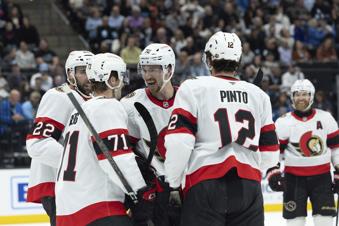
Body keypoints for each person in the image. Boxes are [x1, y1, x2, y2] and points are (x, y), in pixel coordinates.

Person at [164, 31, 280, 226]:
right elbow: (270, 153)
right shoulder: (258, 95)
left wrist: (173, 184)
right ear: (238, 60)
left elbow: (179, 142)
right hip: (249, 188)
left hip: (205, 184)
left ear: (209, 59)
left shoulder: (193, 87)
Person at [56, 53, 154, 226]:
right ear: (112, 79)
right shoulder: (108, 106)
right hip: (97, 208)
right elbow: (117, 158)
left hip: (67, 211)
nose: (124, 83)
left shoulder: (78, 111)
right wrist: (141, 191)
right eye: (121, 77)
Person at [26, 50, 94, 226]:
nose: (89, 76)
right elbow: (38, 143)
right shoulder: (58, 96)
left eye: (92, 70)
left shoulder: (91, 99)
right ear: (70, 73)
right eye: (82, 71)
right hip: (59, 185)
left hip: (80, 184)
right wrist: (79, 164)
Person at [121, 43, 179, 226]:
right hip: (156, 195)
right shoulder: (131, 104)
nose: (147, 75)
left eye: (154, 69)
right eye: (144, 69)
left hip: (192, 190)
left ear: (169, 69)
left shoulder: (190, 98)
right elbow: (124, 151)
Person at [268, 79, 339, 226]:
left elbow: (336, 148)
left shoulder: (326, 118)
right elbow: (275, 152)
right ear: (292, 97)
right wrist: (273, 171)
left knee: (324, 221)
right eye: (297, 94)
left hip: (322, 180)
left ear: (311, 96)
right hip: (293, 180)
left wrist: (338, 170)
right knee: (295, 222)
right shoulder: (283, 122)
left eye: (305, 94)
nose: (301, 98)